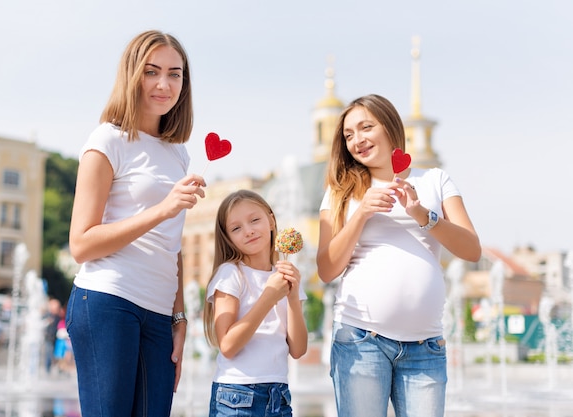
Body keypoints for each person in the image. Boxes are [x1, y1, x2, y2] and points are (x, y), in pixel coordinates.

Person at [66, 30, 206, 417]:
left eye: (175, 74)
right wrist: (162, 208)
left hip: (159, 313)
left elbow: (170, 244)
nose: (164, 84)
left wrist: (179, 317)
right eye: (152, 71)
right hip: (108, 301)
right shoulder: (107, 140)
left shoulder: (178, 154)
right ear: (132, 76)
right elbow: (81, 243)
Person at [316, 94, 481, 417]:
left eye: (366, 128)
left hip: (426, 346)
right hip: (360, 340)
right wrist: (361, 213)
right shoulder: (340, 191)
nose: (357, 140)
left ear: (390, 126)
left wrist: (423, 215)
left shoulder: (434, 180)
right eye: (348, 135)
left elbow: (471, 249)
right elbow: (326, 268)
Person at [203, 190, 308, 417]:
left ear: (271, 220)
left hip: (278, 395)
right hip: (236, 395)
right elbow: (228, 346)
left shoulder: (286, 275)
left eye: (254, 220)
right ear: (228, 237)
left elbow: (298, 349)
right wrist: (268, 297)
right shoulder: (230, 274)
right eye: (236, 228)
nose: (248, 231)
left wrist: (292, 295)